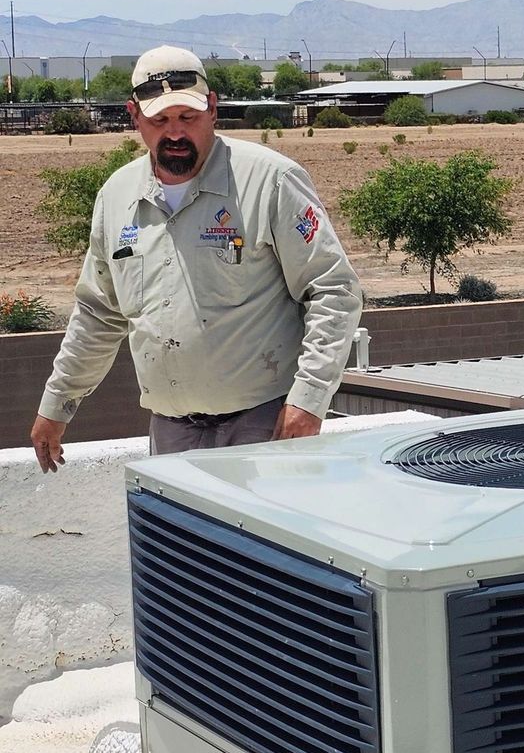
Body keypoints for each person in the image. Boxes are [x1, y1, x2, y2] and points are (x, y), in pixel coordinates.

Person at [31, 45, 361, 470]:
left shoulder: (271, 181)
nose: (174, 133)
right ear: (134, 117)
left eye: (188, 118)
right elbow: (99, 314)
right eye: (159, 120)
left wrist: (309, 400)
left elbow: (335, 289)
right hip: (170, 433)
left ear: (212, 108)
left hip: (264, 428)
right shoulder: (116, 197)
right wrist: (56, 406)